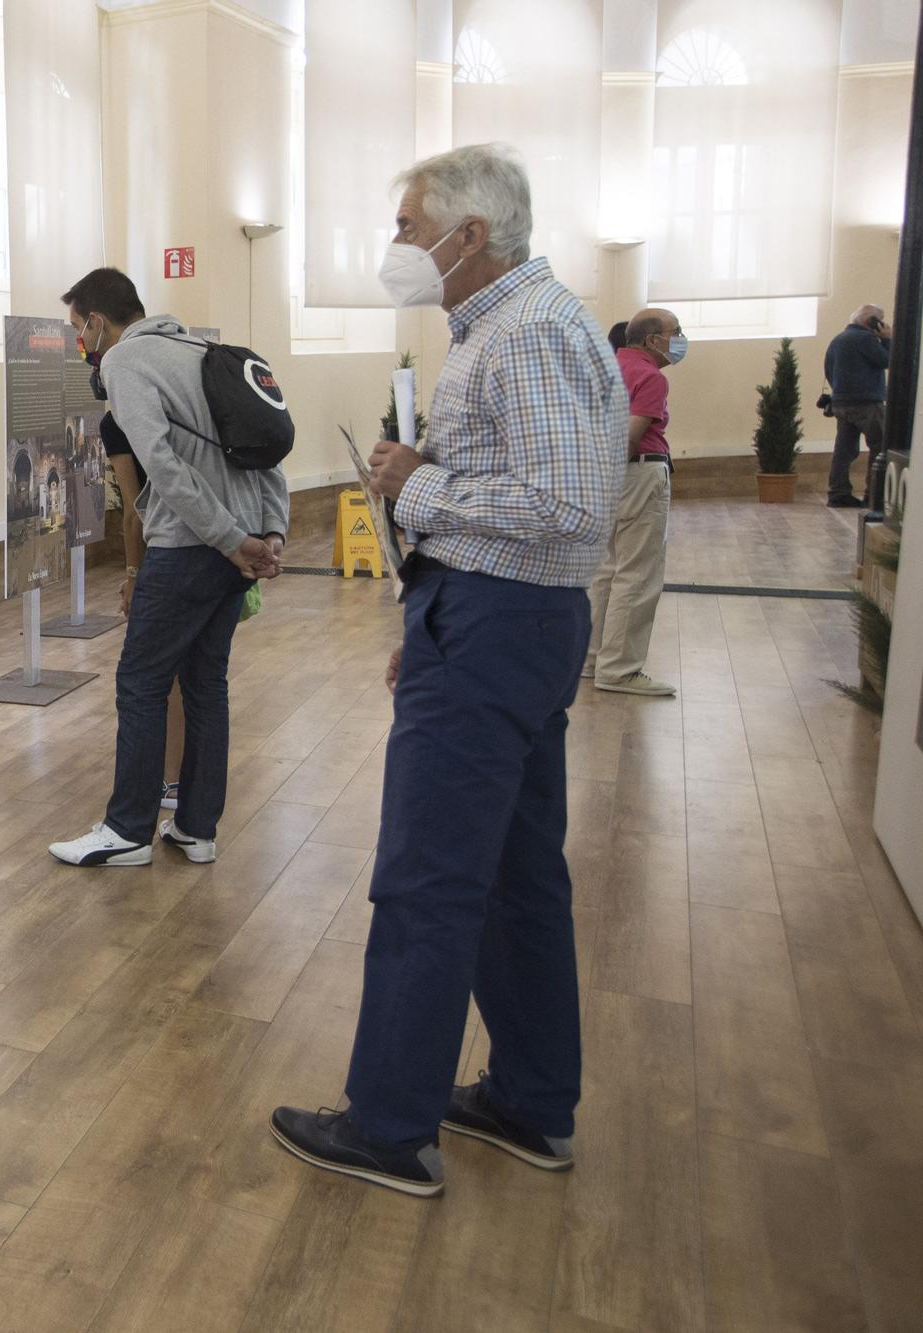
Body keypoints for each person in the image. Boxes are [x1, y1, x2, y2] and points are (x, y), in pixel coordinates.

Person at [271, 144, 625, 1197]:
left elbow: (566, 508)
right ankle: (527, 1100)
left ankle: (388, 1125)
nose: (393, 245)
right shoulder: (515, 324)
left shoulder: (522, 334)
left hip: (497, 623)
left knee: (427, 875)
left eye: (404, 224)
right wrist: (430, 614)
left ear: (467, 235)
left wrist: (414, 488)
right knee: (515, 875)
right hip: (491, 617)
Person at [47, 268, 287, 868]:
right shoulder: (206, 351)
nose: (82, 343)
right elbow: (265, 449)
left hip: (187, 549)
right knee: (207, 685)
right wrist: (267, 532)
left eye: (80, 329)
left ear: (98, 321)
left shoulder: (126, 363)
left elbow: (159, 463)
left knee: (141, 682)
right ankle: (196, 828)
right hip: (237, 546)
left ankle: (127, 829)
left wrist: (228, 539)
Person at [585, 308, 683, 697]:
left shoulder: (604, 369)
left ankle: (591, 660)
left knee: (606, 571)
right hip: (638, 473)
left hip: (603, 480)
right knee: (636, 574)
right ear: (651, 340)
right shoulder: (650, 377)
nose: (680, 339)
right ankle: (620, 668)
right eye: (675, 332)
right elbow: (630, 436)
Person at [103, 411, 184, 812]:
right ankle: (190, 783)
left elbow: (135, 510)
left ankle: (170, 783)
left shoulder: (118, 421)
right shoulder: (178, 400)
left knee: (154, 679)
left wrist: (133, 575)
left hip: (164, 551)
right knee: (201, 678)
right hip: (210, 547)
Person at [824, 303, 891, 508]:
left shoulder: (838, 339)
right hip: (867, 404)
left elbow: (829, 370)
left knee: (843, 451)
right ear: (871, 322)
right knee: (880, 448)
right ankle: (874, 496)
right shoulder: (865, 339)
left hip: (841, 403)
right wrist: (888, 339)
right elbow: (887, 360)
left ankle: (838, 493)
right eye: (880, 319)